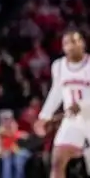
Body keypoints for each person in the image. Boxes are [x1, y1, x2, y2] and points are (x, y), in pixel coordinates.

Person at [35, 30, 90, 178]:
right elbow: (56, 92)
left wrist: (82, 104)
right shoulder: (58, 66)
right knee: (58, 160)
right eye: (66, 43)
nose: (70, 46)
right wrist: (44, 116)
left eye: (74, 41)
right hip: (72, 120)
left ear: (82, 43)